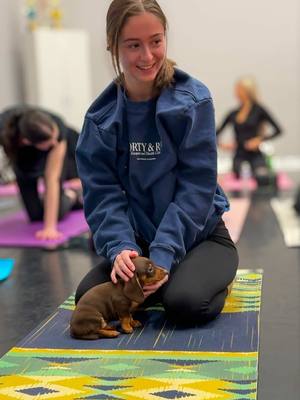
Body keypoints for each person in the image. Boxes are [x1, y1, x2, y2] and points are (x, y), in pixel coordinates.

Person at [75, 0, 238, 324]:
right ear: (113, 46)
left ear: (165, 38)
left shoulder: (193, 100)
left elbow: (196, 187)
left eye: (156, 41)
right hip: (140, 250)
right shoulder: (100, 119)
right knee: (87, 301)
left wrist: (164, 256)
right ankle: (163, 283)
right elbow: (102, 193)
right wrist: (119, 248)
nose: (147, 56)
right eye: (133, 45)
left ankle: (199, 277)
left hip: (198, 237)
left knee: (186, 304)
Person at [0, 106, 82, 240]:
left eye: (55, 138)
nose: (55, 142)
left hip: (51, 154)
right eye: (50, 142)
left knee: (56, 214)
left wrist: (50, 228)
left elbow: (52, 179)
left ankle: (70, 195)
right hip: (22, 157)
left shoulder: (57, 131)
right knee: (35, 216)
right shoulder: (4, 129)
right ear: (26, 142)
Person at [216, 77, 282, 186]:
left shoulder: (259, 110)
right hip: (239, 154)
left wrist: (259, 139)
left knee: (261, 176)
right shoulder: (233, 113)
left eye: (238, 89)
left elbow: (278, 130)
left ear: (246, 91)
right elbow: (215, 134)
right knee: (237, 175)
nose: (235, 92)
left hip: (255, 154)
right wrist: (222, 145)